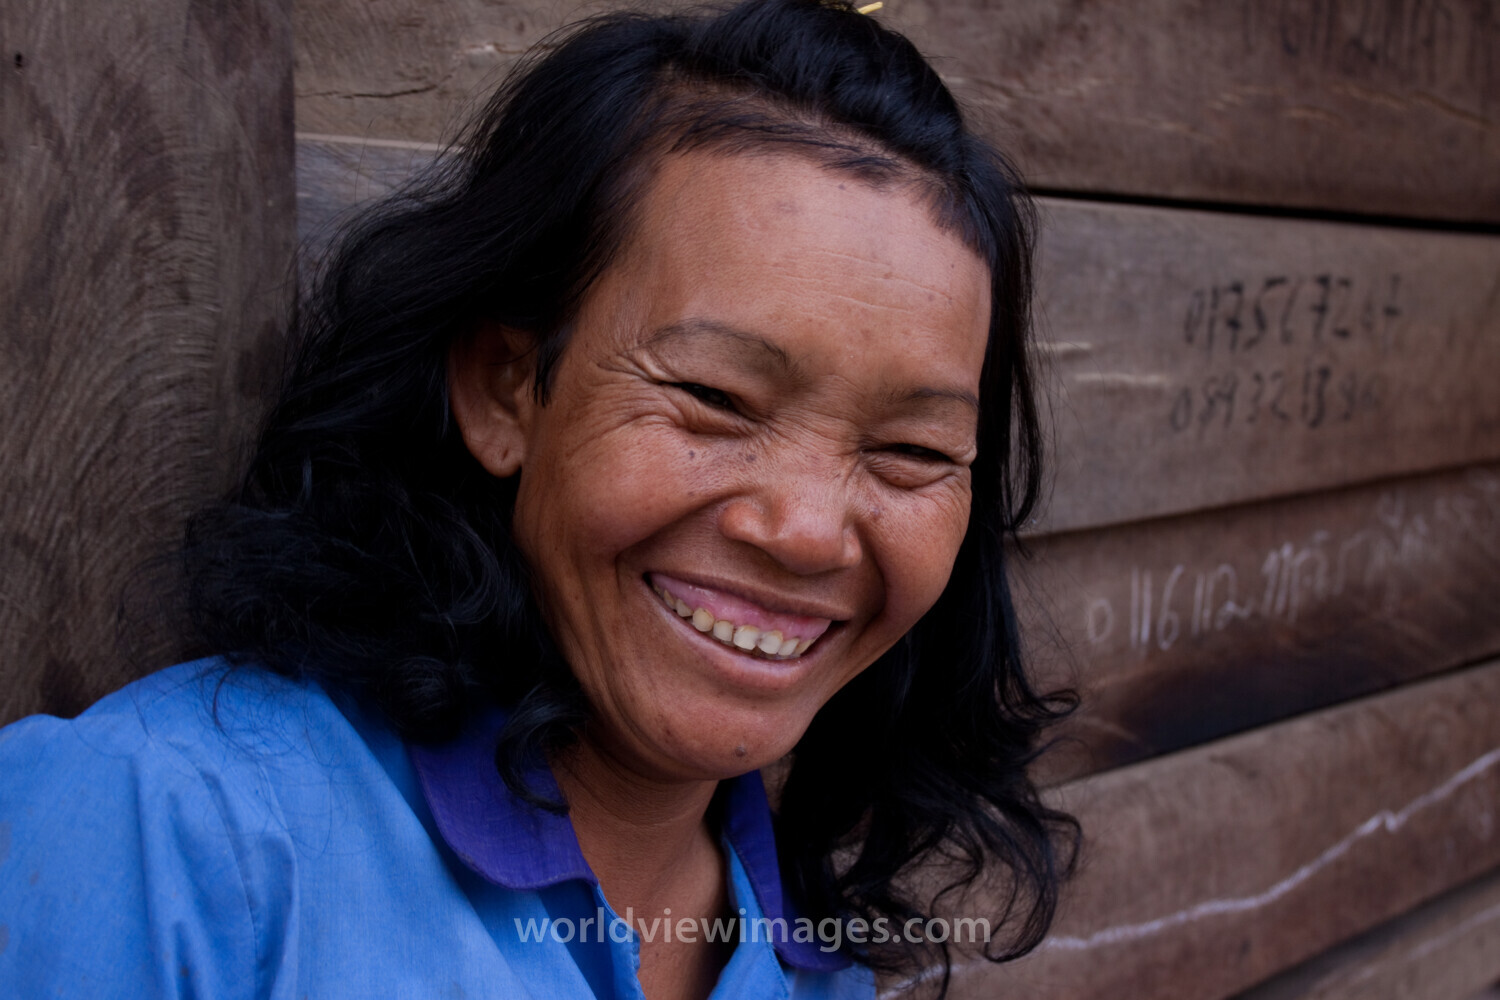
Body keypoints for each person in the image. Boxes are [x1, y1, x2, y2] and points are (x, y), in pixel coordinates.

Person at [0, 0, 1077, 997]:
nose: (802, 529)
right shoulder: (167, 837)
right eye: (712, 397)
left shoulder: (810, 964)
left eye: (910, 450)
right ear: (505, 389)